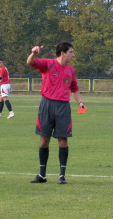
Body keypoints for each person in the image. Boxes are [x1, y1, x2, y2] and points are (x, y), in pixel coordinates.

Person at [26, 42, 84, 184]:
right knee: (44, 140)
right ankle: (42, 175)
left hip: (63, 107)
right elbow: (30, 62)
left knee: (63, 140)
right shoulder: (48, 64)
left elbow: (74, 88)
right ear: (63, 53)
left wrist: (80, 102)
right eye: (71, 52)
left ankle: (62, 176)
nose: (73, 54)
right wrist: (34, 53)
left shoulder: (71, 70)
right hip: (47, 105)